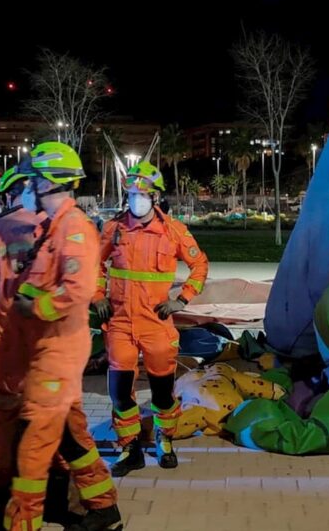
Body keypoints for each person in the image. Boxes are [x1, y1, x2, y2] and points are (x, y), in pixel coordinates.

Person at [0, 143, 121, 531]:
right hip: (45, 347)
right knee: (69, 433)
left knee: (35, 445)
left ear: (49, 181)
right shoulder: (52, 226)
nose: (28, 185)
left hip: (59, 348)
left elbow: (78, 288)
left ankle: (23, 521)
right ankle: (103, 508)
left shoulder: (73, 226)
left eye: (33, 179)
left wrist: (36, 308)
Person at [94, 161, 209, 475]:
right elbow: (95, 266)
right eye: (131, 193)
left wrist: (181, 299)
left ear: (155, 196)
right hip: (119, 323)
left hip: (156, 324)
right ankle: (129, 447)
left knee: (161, 391)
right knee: (120, 390)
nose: (136, 198)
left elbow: (199, 267)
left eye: (142, 193)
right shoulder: (113, 229)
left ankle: (165, 438)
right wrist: (97, 295)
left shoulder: (174, 231)